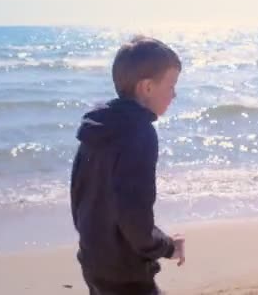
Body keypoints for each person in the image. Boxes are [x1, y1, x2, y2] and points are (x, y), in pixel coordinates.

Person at [70, 35, 185, 295]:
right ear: (146, 88)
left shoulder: (97, 128)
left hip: (93, 260)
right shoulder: (139, 133)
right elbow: (133, 215)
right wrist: (167, 246)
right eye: (171, 85)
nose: (174, 94)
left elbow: (78, 198)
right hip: (127, 274)